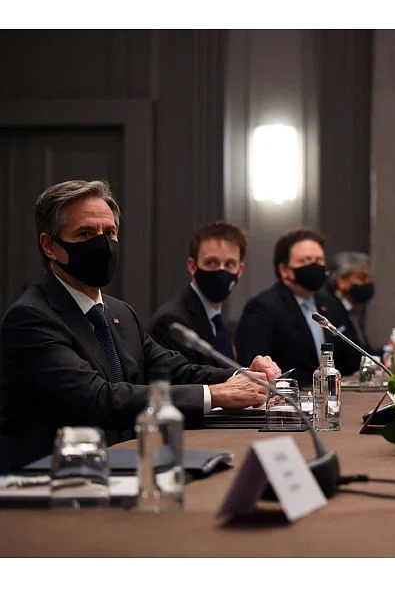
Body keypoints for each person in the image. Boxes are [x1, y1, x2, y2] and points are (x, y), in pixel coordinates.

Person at [0, 180, 280, 473]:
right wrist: (215, 394)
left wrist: (245, 376)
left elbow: (176, 371)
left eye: (109, 232)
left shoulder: (120, 313)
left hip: (122, 468)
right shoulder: (31, 317)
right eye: (85, 233)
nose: (102, 244)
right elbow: (97, 399)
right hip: (51, 479)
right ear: (49, 246)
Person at [235, 229, 362, 387]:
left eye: (319, 260)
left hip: (334, 394)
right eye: (306, 261)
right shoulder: (262, 307)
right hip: (288, 396)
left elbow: (354, 355)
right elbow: (252, 366)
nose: (315, 266)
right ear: (284, 270)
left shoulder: (331, 303)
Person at [149, 222, 247, 367]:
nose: (221, 271)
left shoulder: (218, 321)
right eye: (212, 263)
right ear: (192, 266)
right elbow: (186, 377)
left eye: (229, 264)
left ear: (240, 271)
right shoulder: (172, 322)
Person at [326, 251, 381, 359]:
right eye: (362, 278)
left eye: (369, 278)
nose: (368, 283)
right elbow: (349, 357)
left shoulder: (351, 312)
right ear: (341, 281)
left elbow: (363, 351)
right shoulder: (331, 311)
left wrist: (388, 350)